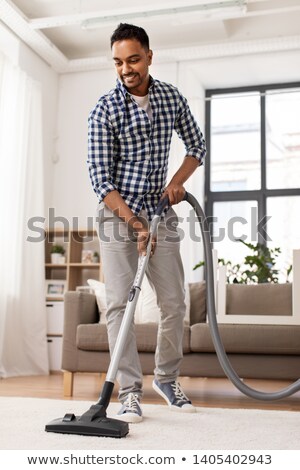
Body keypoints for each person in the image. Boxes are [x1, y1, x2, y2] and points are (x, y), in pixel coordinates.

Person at [87, 23, 206, 423]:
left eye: (134, 59)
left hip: (161, 212)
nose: (126, 69)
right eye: (118, 62)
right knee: (121, 304)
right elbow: (101, 181)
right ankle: (130, 392)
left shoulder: (170, 97)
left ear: (150, 56)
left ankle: (167, 379)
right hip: (118, 215)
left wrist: (176, 182)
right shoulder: (105, 110)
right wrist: (135, 225)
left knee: (174, 301)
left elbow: (197, 146)